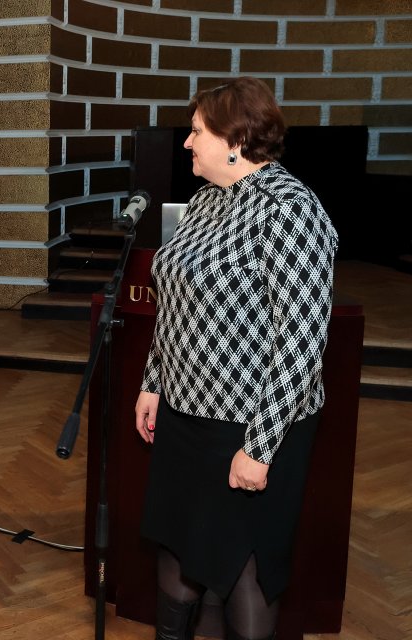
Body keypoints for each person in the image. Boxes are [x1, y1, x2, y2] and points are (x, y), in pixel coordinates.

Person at [133, 77, 338, 640]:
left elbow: (300, 345)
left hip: (252, 428)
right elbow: (174, 305)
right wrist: (155, 382)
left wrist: (259, 447)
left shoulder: (292, 211)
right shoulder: (205, 201)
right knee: (179, 554)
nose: (186, 143)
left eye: (196, 131)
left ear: (232, 138)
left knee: (245, 568)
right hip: (186, 417)